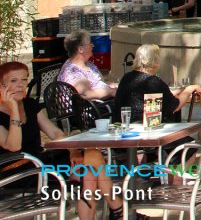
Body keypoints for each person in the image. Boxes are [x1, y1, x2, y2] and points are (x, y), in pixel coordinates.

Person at [1, 61, 124, 220]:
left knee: (91, 156)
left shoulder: (29, 105)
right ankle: (118, 209)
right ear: (1, 86)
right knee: (88, 173)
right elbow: (14, 146)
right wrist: (13, 111)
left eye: (24, 80)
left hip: (39, 162)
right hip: (15, 171)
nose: (20, 85)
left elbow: (54, 132)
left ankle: (116, 210)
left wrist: (72, 150)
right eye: (13, 81)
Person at [114, 44, 201, 124]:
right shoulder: (153, 81)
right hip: (148, 130)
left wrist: (179, 90)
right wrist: (189, 89)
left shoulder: (127, 77)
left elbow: (156, 94)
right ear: (155, 61)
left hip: (124, 126)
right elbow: (175, 106)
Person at [57, 29, 116, 99]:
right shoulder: (74, 72)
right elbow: (85, 95)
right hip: (91, 108)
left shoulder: (86, 64)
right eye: (90, 43)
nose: (93, 45)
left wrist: (116, 86)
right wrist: (112, 92)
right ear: (80, 49)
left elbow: (97, 85)